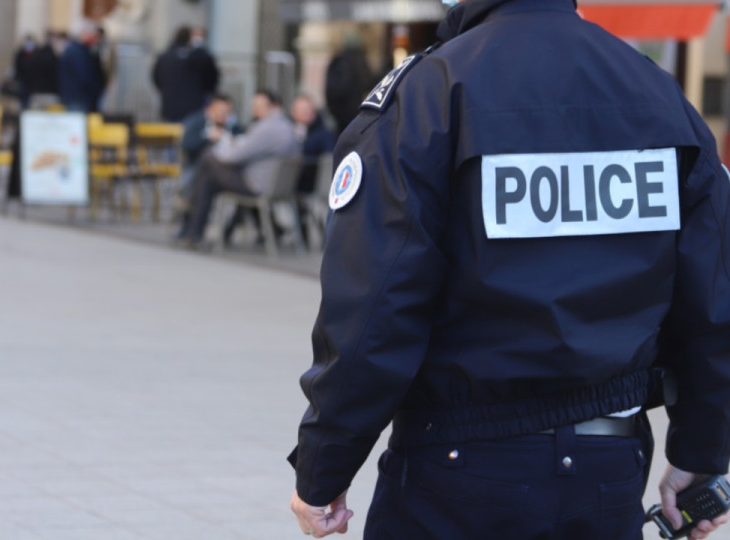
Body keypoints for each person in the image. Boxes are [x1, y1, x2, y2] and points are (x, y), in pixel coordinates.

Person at [289, 0, 730, 539]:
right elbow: (712, 299)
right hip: (606, 467)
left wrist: (325, 463)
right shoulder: (657, 93)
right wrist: (701, 453)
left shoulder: (431, 91)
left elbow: (376, 305)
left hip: (457, 471)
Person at [176, 90, 298, 247]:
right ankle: (200, 231)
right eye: (254, 106)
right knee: (207, 179)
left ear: (274, 107)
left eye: (259, 106)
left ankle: (192, 229)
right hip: (273, 184)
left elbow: (233, 156)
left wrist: (221, 141)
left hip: (256, 184)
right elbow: (188, 146)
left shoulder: (266, 129)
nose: (255, 110)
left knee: (208, 158)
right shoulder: (285, 126)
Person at [288, 94, 335, 246]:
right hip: (294, 178)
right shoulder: (289, 129)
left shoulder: (323, 133)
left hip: (310, 181)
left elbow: (329, 155)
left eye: (308, 110)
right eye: (301, 110)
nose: (305, 114)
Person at [152, 26, 220, 122]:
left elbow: (156, 78)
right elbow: (212, 78)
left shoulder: (165, 56)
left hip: (170, 106)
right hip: (195, 108)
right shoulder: (201, 56)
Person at [324, 33, 375, 136]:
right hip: (360, 117)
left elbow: (333, 92)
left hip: (342, 118)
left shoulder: (339, 62)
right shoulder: (362, 64)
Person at [58, 20, 106, 114]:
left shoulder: (76, 49)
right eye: (91, 34)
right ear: (83, 34)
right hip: (79, 100)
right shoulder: (77, 52)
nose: (94, 37)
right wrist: (98, 89)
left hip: (75, 99)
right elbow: (85, 76)